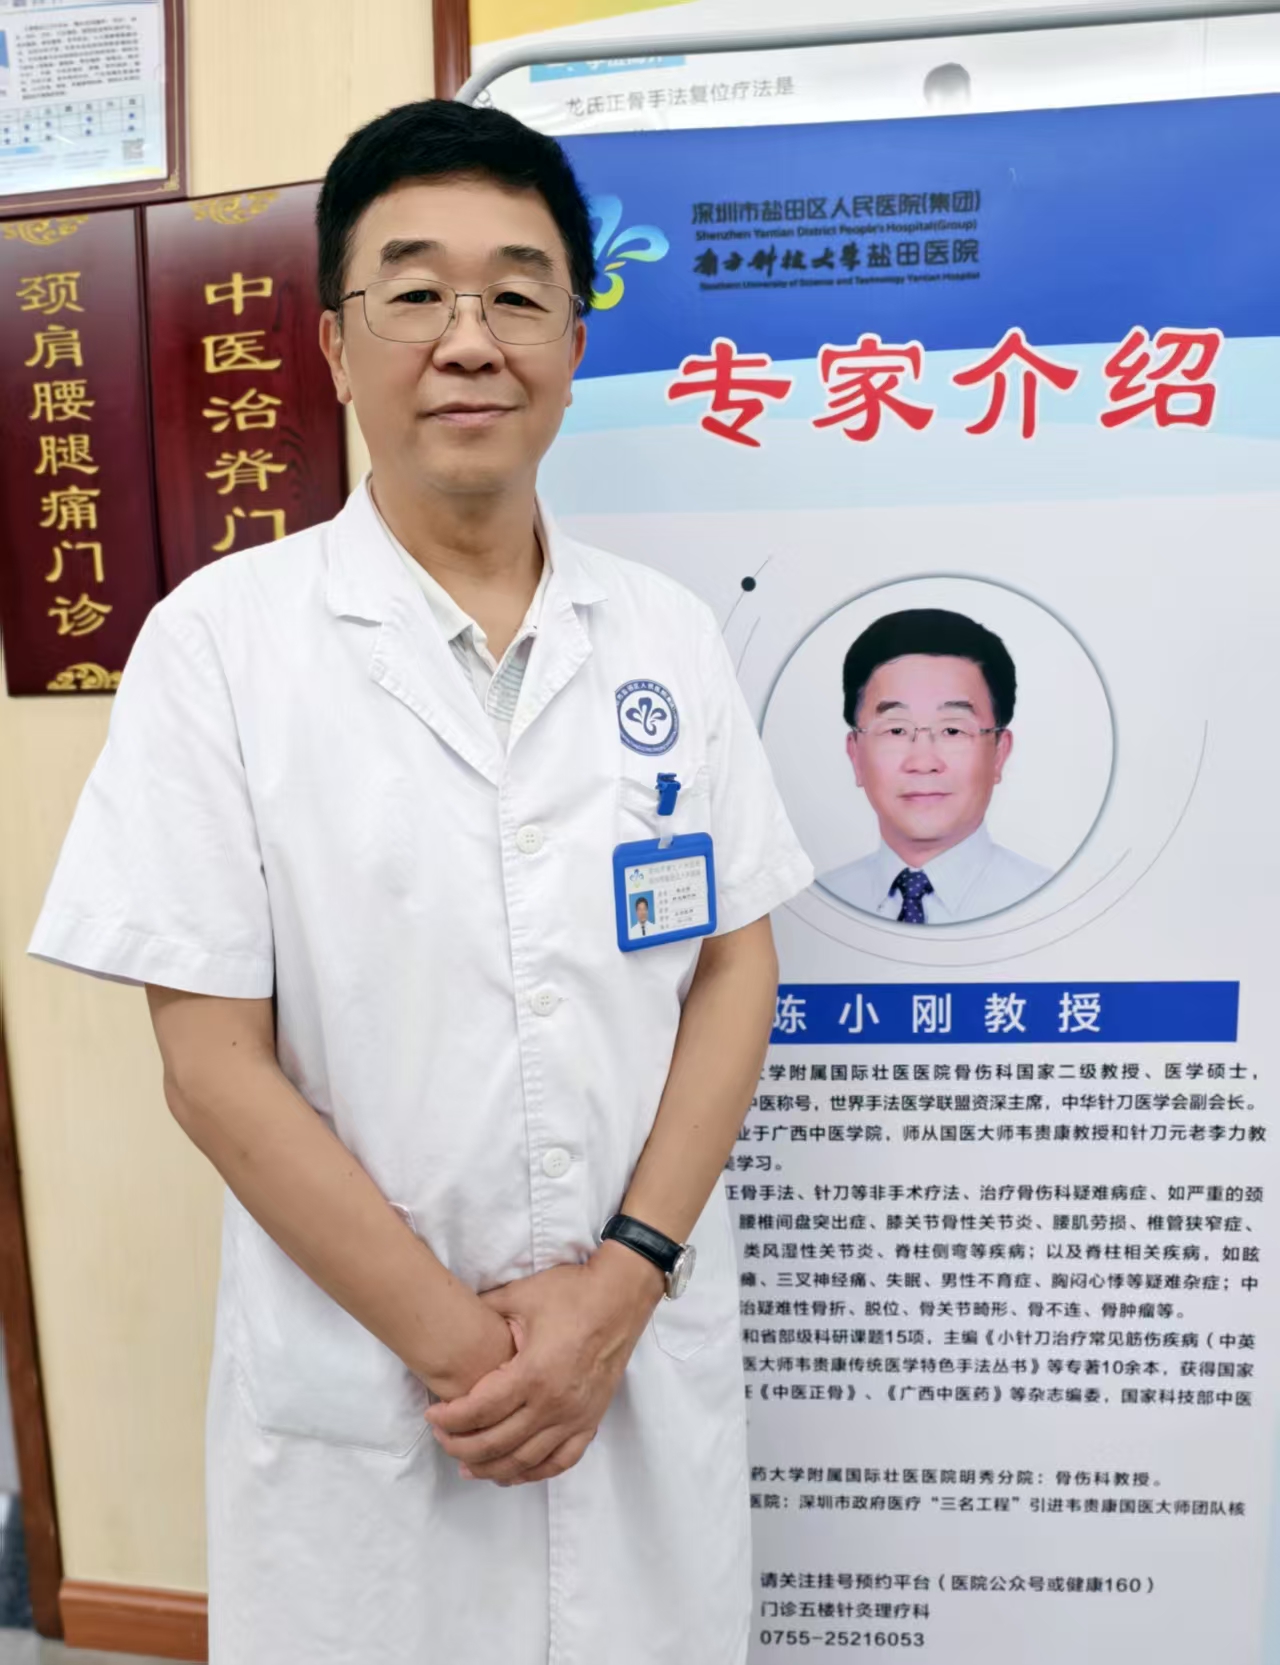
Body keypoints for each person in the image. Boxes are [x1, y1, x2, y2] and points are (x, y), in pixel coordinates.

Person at [28, 100, 812, 1665]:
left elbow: (736, 965)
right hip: (379, 1386)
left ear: (574, 341)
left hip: (632, 1345)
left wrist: (621, 1286)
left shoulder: (663, 636)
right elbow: (211, 1062)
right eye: (414, 292)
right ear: (333, 344)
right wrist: (472, 1352)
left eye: (517, 293)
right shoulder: (220, 646)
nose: (469, 340)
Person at [820, 607, 1051, 924]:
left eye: (952, 730)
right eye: (896, 730)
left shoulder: (1051, 905)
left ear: (999, 753)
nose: (923, 762)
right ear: (856, 755)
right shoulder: (816, 907)